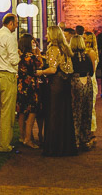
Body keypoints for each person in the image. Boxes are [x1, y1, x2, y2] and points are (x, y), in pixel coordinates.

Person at [41, 25, 76, 157]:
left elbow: (52, 69)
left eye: (48, 34)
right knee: (65, 114)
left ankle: (54, 147)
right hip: (65, 83)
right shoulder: (65, 48)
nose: (46, 36)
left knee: (54, 113)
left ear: (53, 35)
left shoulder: (53, 48)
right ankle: (65, 145)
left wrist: (40, 72)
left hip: (56, 84)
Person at [0, 12, 20, 153]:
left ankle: (3, 140)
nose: (17, 26)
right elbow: (14, 60)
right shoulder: (9, 37)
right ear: (11, 23)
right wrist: (20, 56)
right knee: (8, 112)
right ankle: (4, 145)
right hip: (7, 75)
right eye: (16, 23)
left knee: (2, 109)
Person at [16, 33, 42, 149]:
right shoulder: (30, 57)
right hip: (31, 87)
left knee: (21, 112)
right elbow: (39, 65)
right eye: (32, 42)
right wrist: (38, 54)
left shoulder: (20, 56)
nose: (34, 44)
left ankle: (22, 136)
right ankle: (28, 139)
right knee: (32, 112)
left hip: (21, 86)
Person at [70, 34, 95, 151]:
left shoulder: (71, 57)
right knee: (87, 111)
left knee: (76, 112)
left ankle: (75, 140)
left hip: (76, 82)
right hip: (87, 82)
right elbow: (92, 71)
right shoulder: (87, 56)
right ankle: (85, 138)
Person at [83, 31, 100, 132]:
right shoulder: (85, 51)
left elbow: (92, 71)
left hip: (90, 80)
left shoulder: (91, 52)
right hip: (86, 79)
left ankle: (91, 129)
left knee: (90, 107)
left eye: (84, 38)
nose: (83, 40)